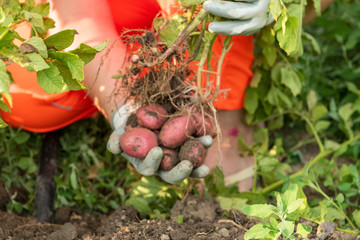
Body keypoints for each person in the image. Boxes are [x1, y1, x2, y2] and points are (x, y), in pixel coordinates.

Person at [1, 0, 334, 191]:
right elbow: (78, 14)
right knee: (33, 102)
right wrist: (123, 108)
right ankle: (144, 69)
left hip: (200, 11)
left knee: (221, 181)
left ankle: (219, 98)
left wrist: (281, 2)